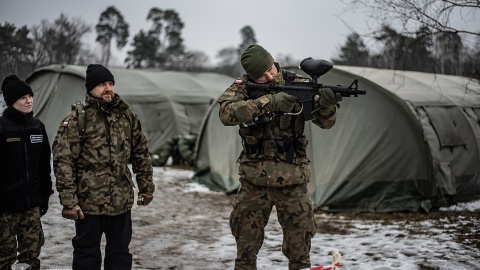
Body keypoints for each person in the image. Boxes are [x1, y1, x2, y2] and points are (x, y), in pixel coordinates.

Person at [217, 44, 342, 270]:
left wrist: (327, 106)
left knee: (300, 249)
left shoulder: (298, 84)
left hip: (293, 177)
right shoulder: (243, 86)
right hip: (255, 179)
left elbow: (326, 123)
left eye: (270, 69)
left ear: (274, 62)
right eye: (261, 75)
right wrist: (269, 102)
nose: (268, 76)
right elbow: (226, 113)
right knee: (245, 249)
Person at [52, 64, 155, 270]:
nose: (108, 88)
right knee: (86, 255)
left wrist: (146, 187)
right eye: (101, 84)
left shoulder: (127, 117)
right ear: (91, 89)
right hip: (89, 204)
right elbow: (63, 161)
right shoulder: (77, 120)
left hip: (121, 202)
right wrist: (69, 201)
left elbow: (141, 154)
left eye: (110, 84)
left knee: (120, 254)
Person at [0, 75, 53, 270]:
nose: (29, 100)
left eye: (30, 96)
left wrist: (45, 196)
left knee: (31, 257)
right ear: (11, 100)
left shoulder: (37, 127)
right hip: (6, 208)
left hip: (32, 205)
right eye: (23, 97)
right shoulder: (3, 128)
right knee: (4, 257)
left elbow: (44, 166)